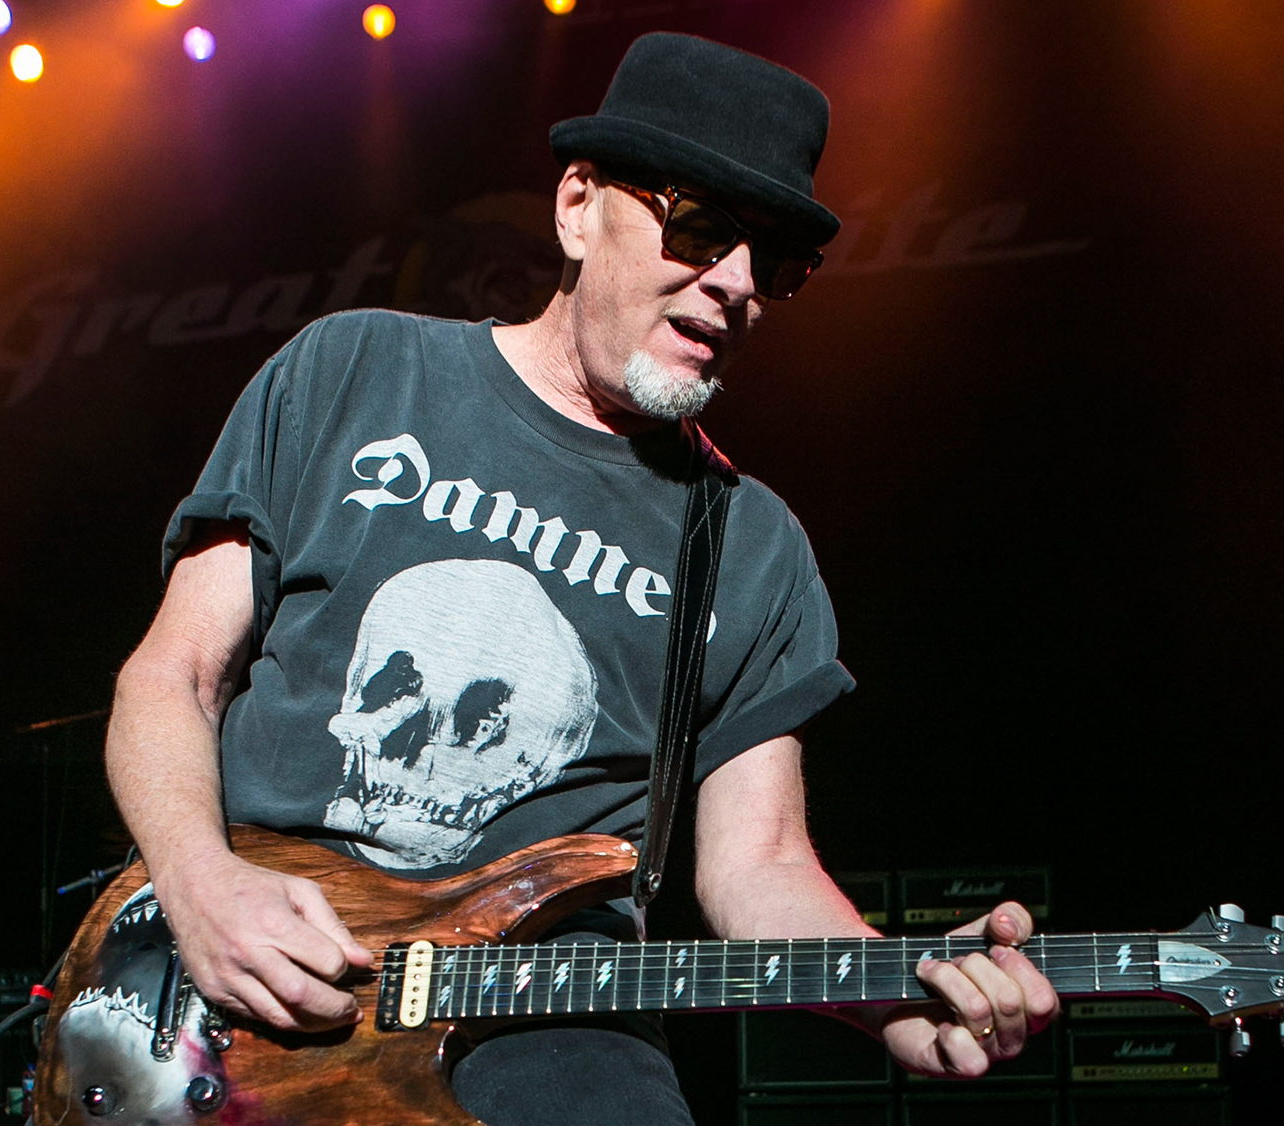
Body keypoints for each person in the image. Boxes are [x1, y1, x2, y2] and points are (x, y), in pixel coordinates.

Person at [103, 31, 1056, 1125]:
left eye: (776, 262)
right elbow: (170, 677)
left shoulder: (749, 545)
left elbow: (757, 862)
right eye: (700, 227)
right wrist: (197, 880)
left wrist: (891, 997)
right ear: (574, 206)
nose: (737, 284)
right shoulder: (353, 371)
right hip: (251, 983)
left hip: (552, 1017)